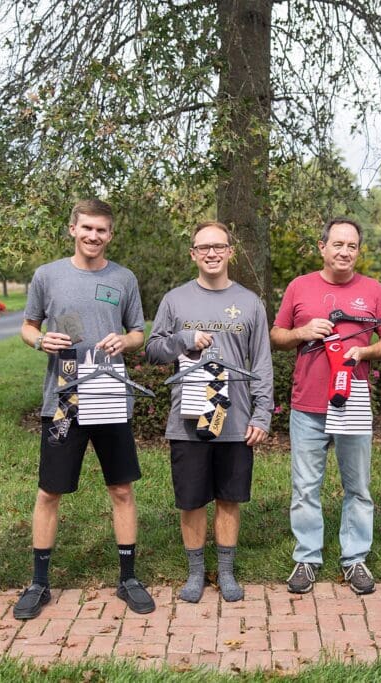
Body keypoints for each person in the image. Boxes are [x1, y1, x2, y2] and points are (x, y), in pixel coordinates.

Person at [13, 198, 154, 619]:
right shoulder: (47, 275)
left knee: (122, 489)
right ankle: (39, 583)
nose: (94, 236)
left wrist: (125, 342)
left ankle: (128, 578)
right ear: (72, 228)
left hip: (110, 396)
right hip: (63, 399)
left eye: (102, 230)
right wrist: (39, 342)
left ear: (111, 234)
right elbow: (28, 325)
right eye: (87, 228)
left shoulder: (123, 278)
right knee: (49, 491)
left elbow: (139, 333)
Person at [145, 221, 273, 603]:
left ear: (230, 251)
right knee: (192, 499)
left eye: (219, 246)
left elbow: (261, 361)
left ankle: (227, 571)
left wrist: (262, 413)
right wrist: (183, 339)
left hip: (235, 421)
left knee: (229, 497)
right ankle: (196, 572)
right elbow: (152, 350)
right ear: (193, 254)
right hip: (189, 419)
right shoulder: (175, 300)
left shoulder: (250, 302)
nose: (212, 253)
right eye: (204, 247)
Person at [270, 217, 381, 595]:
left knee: (358, 487)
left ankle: (354, 559)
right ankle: (307, 558)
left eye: (352, 246)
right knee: (305, 487)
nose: (344, 251)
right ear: (322, 247)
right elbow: (277, 336)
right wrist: (301, 332)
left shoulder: (372, 290)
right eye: (337, 244)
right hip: (307, 403)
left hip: (353, 403)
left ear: (358, 251)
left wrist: (365, 351)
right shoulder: (300, 287)